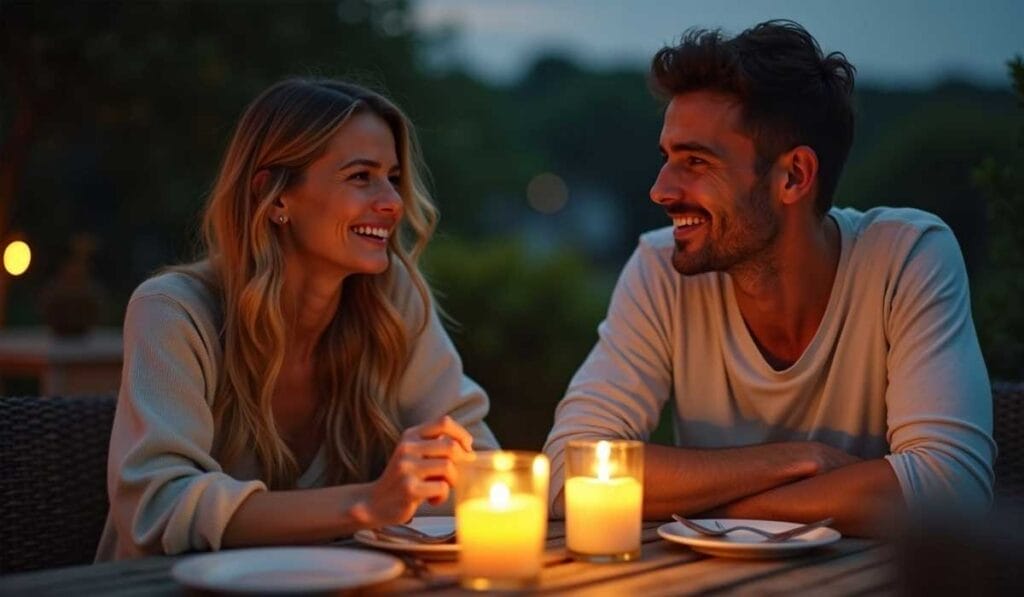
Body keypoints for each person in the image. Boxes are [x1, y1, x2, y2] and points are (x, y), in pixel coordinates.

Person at [542, 20, 995, 537]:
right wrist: (798, 462)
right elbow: (568, 471)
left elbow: (952, 491)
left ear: (794, 176)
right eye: (667, 158)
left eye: (695, 161)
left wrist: (719, 515)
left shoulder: (905, 257)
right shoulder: (659, 268)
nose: (661, 190)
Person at [98, 78, 498, 560]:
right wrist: (368, 502)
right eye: (360, 176)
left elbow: (480, 466)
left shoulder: (392, 302)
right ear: (276, 195)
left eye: (392, 176)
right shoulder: (174, 312)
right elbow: (155, 508)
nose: (392, 202)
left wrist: (440, 475)